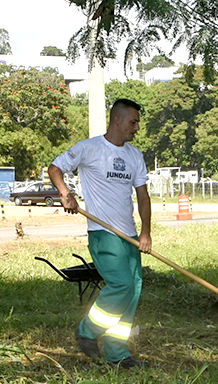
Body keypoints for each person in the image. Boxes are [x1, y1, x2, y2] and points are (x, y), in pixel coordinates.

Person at [49, 99, 152, 368]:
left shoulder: (134, 155)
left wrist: (146, 232)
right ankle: (87, 330)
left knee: (133, 292)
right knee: (122, 286)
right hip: (103, 232)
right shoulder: (90, 148)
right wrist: (65, 193)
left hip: (129, 236)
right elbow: (55, 168)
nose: (137, 127)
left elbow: (143, 196)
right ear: (117, 120)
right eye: (133, 121)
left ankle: (117, 354)